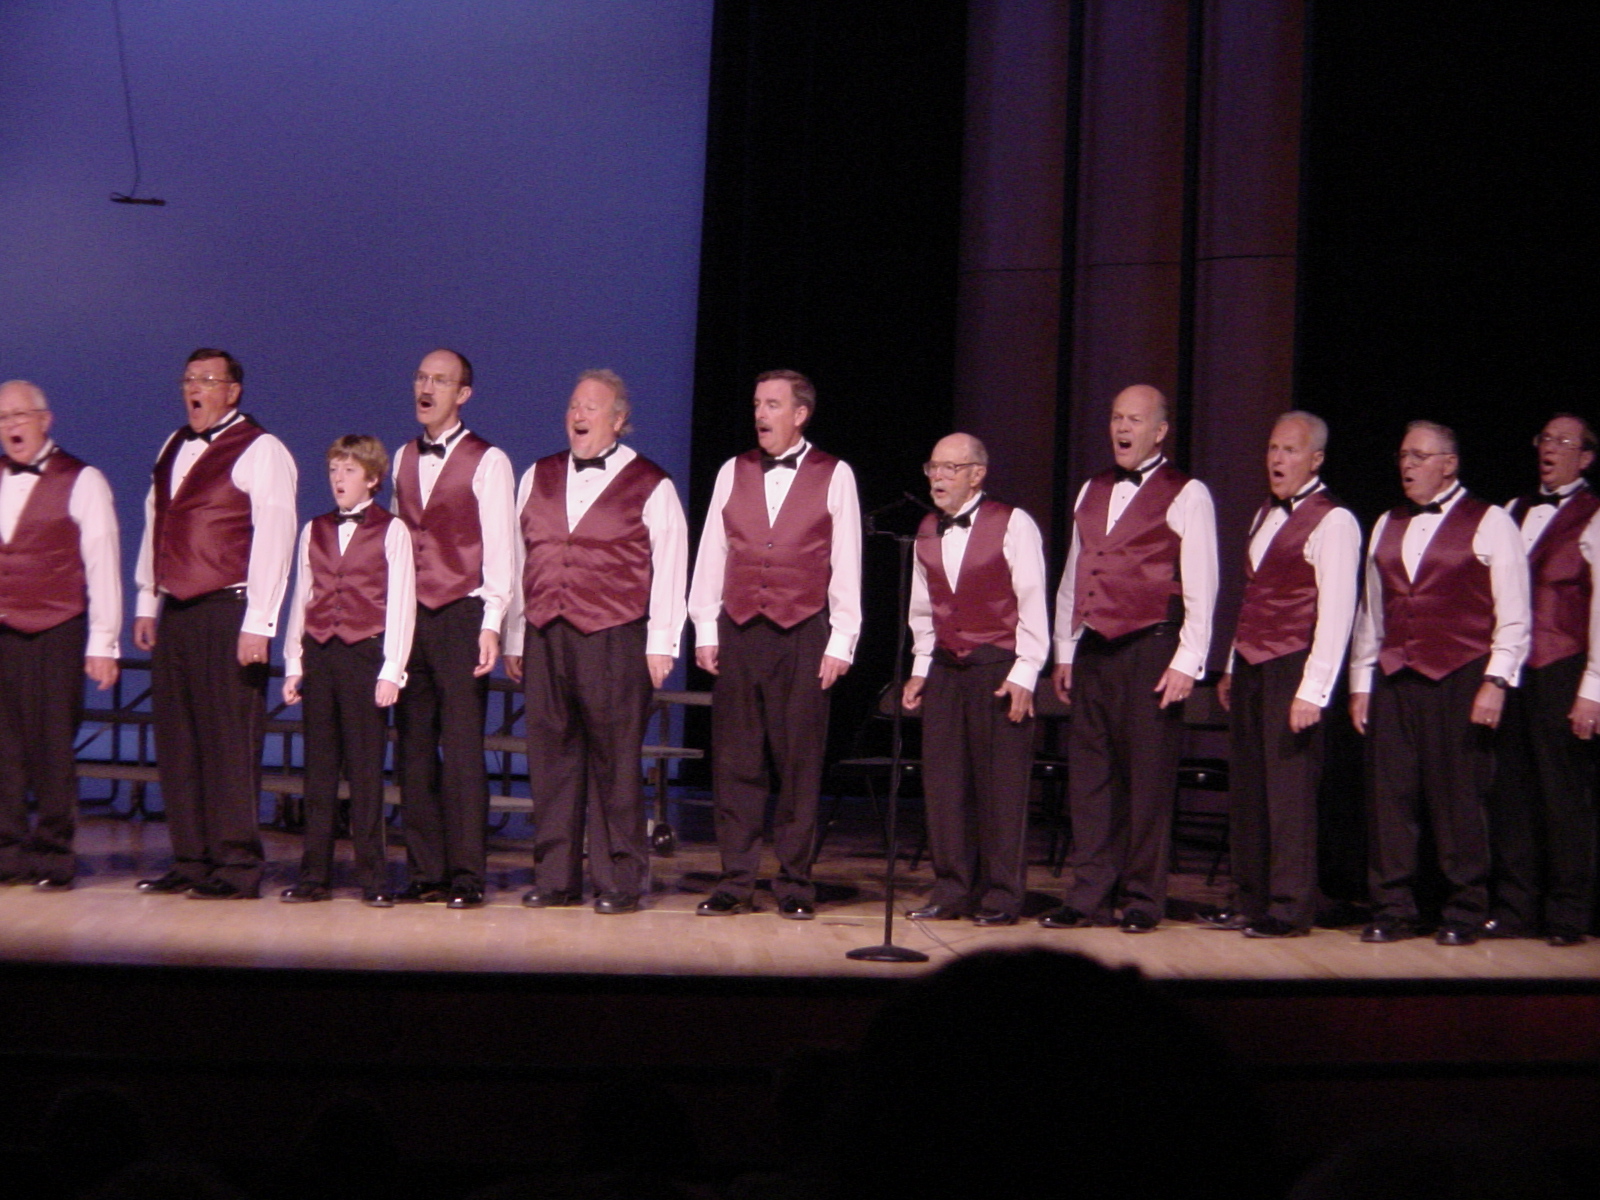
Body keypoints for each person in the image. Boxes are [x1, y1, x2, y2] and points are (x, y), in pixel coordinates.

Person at [503, 370, 688, 914]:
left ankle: (620, 880)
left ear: (619, 420)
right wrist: (515, 632)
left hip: (614, 635)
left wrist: (662, 641)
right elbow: (519, 559)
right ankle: (556, 877)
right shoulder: (537, 474)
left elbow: (670, 563)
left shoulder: (651, 482)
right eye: (573, 405)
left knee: (615, 762)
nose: (578, 415)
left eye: (591, 407)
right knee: (552, 761)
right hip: (546, 633)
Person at [687, 369, 862, 918]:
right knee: (736, 763)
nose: (761, 414)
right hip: (740, 629)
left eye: (772, 404)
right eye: (758, 403)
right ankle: (735, 880)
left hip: (803, 631)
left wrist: (842, 639)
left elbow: (846, 559)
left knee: (798, 764)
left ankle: (794, 882)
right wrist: (705, 625)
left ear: (800, 414)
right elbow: (713, 550)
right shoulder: (732, 470)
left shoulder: (834, 474)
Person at [1043, 383, 1218, 933]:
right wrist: (1065, 648)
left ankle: (1142, 897)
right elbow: (1075, 573)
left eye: (1135, 420)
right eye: (1117, 417)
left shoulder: (1187, 493)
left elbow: (1204, 583)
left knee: (1147, 780)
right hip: (1095, 646)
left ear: (1160, 431)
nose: (1122, 428)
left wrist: (1188, 659)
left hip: (1152, 645)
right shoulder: (1092, 488)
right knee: (1091, 778)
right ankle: (1088, 894)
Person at [1349, 420, 1529, 945]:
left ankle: (1465, 909)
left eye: (1419, 456)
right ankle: (1393, 908)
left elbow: (1514, 612)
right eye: (1403, 456)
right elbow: (1372, 612)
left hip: (1460, 672)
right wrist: (1361, 681)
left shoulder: (1490, 521)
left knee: (1457, 799)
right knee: (1390, 800)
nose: (1407, 465)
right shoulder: (1386, 522)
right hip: (1394, 674)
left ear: (1449, 464)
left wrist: (1497, 680)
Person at [133, 348, 297, 899]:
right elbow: (156, 521)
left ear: (233, 391)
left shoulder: (261, 449)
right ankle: (191, 859)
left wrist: (260, 622)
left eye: (206, 380)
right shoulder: (172, 444)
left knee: (229, 741)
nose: (194, 389)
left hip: (230, 609)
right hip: (177, 609)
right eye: (188, 379)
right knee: (178, 740)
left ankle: (236, 866)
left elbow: (275, 537)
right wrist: (146, 599)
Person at [1207, 412, 1360, 937]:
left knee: (1289, 794)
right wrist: (1232, 664)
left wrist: (1313, 690)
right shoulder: (1262, 514)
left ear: (1316, 459)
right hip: (1252, 664)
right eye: (1272, 448)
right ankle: (1249, 898)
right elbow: (1252, 597)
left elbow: (1337, 613)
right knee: (1249, 788)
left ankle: (1291, 906)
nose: (1276, 459)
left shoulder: (1334, 521)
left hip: (1295, 664)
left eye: (1290, 450)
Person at [900, 433, 1048, 926]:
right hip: (946, 667)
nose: (938, 477)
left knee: (1000, 788)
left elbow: (1032, 602)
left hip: (996, 666)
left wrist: (1026, 671)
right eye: (933, 467)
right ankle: (951, 890)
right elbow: (922, 608)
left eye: (951, 468)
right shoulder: (926, 528)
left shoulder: (1012, 523)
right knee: (945, 786)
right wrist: (921, 668)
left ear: (977, 474)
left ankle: (1002, 895)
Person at [390, 349, 516, 909]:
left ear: (463, 394)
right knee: (414, 747)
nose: (427, 387)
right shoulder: (401, 456)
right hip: (411, 616)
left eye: (440, 381)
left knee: (462, 750)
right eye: (421, 377)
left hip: (463, 613)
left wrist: (492, 622)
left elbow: (501, 550)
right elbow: (398, 546)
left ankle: (467, 874)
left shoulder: (489, 461)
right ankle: (426, 871)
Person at [280, 436, 416, 906]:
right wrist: (294, 662)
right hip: (321, 654)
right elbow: (303, 597)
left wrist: (392, 669)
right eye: (334, 470)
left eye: (349, 470)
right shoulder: (314, 529)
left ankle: (373, 879)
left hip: (364, 656)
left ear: (373, 479)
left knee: (364, 773)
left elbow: (401, 603)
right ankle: (313, 876)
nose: (338, 479)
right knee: (318, 772)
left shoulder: (392, 531)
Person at [1484, 414, 1600, 945]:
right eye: (1544, 439)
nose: (1549, 448)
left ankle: (1568, 913)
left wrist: (1592, 688)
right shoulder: (1512, 510)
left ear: (1587, 457)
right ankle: (1516, 907)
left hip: (1564, 668)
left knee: (1563, 796)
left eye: (1563, 441)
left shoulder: (1594, 515)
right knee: (1512, 794)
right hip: (1514, 672)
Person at [0, 380, 121, 890]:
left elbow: (102, 560)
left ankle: (52, 855)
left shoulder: (82, 479)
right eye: (2, 418)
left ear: (44, 420)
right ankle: (6, 853)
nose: (11, 426)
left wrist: (104, 641)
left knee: (52, 746)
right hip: (3, 629)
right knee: (3, 748)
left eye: (19, 415)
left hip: (57, 627)